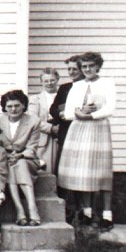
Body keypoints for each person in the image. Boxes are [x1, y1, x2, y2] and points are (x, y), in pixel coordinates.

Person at [58, 52, 116, 232]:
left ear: (98, 66)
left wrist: (90, 115)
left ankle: (107, 215)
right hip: (78, 129)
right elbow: (67, 112)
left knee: (101, 171)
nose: (87, 69)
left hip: (98, 127)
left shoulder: (107, 83)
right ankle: (87, 212)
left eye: (91, 66)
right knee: (83, 171)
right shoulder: (77, 86)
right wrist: (79, 112)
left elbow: (110, 108)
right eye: (84, 66)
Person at [0, 90, 42, 226]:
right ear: (4, 107)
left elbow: (32, 148)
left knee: (19, 163)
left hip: (27, 158)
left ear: (23, 105)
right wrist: (7, 155)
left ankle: (31, 207)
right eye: (9, 106)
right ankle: (20, 209)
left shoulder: (33, 121)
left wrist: (20, 155)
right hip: (6, 158)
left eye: (17, 105)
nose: (13, 109)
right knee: (12, 164)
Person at [50, 55, 84, 222]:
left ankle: (83, 209)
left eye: (74, 69)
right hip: (66, 131)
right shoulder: (65, 88)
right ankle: (65, 209)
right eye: (69, 69)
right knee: (64, 169)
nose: (71, 72)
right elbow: (53, 109)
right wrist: (60, 114)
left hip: (83, 132)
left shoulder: (88, 87)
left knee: (81, 170)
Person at [28, 68, 60, 174]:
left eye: (52, 80)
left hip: (62, 136)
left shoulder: (64, 96)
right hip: (44, 139)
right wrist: (51, 128)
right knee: (46, 170)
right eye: (46, 81)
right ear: (41, 82)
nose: (49, 83)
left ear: (57, 79)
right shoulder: (35, 99)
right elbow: (33, 120)